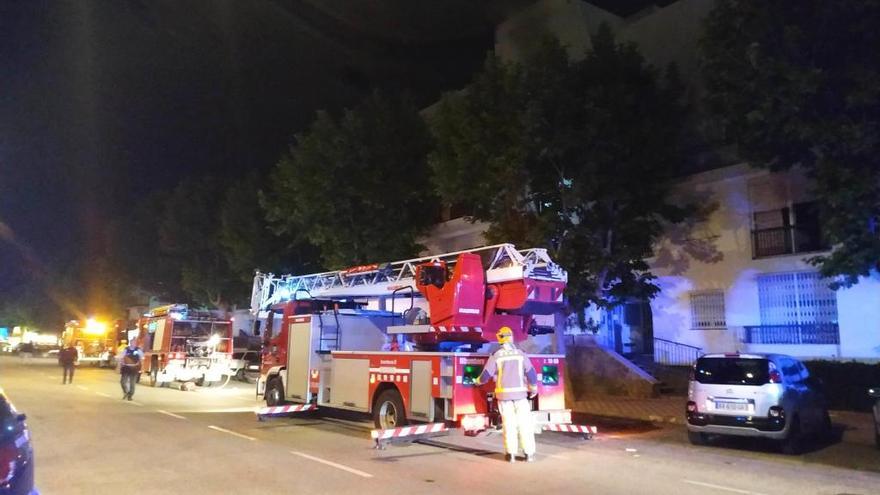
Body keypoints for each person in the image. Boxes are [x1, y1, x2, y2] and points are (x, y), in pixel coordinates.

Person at [475, 326, 539, 463]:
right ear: (511, 337)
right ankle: (529, 454)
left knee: (509, 425)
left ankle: (511, 455)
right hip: (521, 396)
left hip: (504, 398)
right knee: (525, 424)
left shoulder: (496, 355)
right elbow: (531, 373)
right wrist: (533, 388)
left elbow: (486, 375)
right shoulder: (521, 353)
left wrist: (477, 381)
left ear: (499, 338)